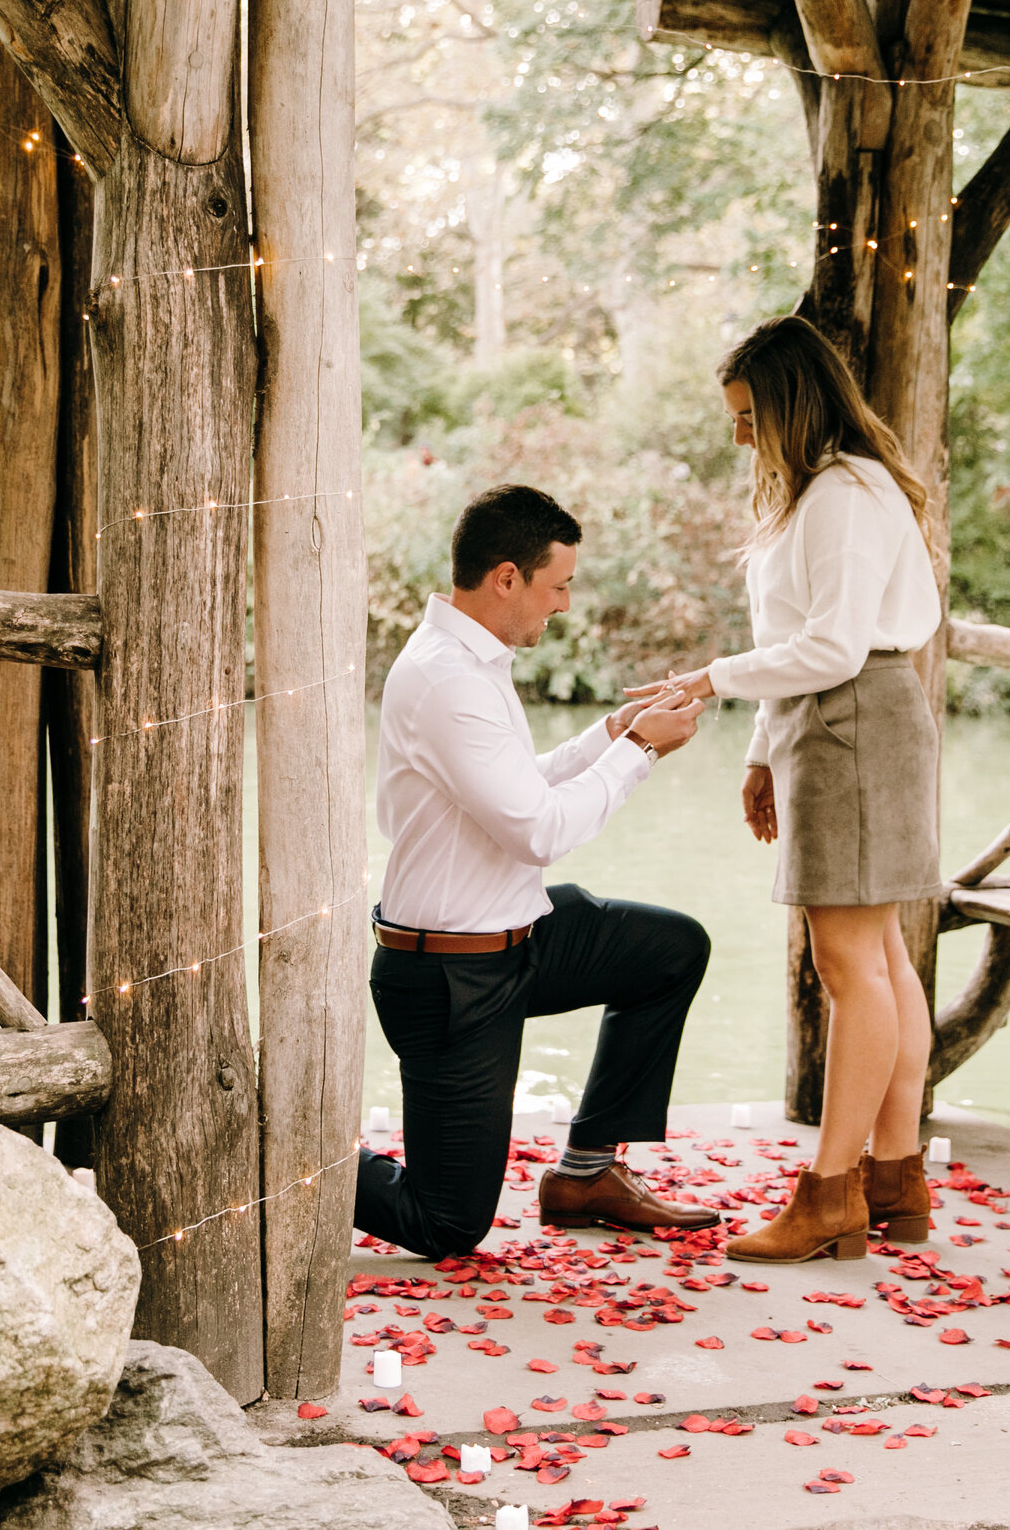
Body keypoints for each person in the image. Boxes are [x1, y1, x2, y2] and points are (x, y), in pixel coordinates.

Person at [638, 315, 944, 1264]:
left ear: (790, 406)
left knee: (851, 965)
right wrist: (765, 752)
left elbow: (834, 648)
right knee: (882, 956)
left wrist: (708, 680)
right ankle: (893, 1176)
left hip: (854, 718)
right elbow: (803, 638)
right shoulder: (821, 493)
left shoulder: (847, 495)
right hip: (837, 721)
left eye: (745, 417)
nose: (738, 438)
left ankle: (830, 1195)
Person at [354, 484, 719, 1259]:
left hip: (520, 938)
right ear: (508, 577)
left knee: (669, 948)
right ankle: (293, 1160)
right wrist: (642, 749)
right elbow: (539, 829)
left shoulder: (475, 661)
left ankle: (588, 1172)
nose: (563, 606)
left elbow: (522, 783)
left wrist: (610, 733)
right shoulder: (448, 679)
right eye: (558, 587)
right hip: (451, 979)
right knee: (446, 1223)